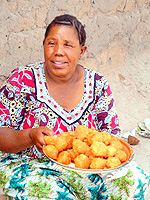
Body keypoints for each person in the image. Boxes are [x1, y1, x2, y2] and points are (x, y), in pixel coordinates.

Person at [0, 14, 149, 200]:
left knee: (135, 180)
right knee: (51, 194)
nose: (58, 51)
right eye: (51, 43)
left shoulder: (98, 85)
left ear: (82, 51)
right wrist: (29, 136)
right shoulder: (22, 80)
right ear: (44, 45)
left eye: (68, 45)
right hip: (31, 165)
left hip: (87, 170)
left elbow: (111, 139)